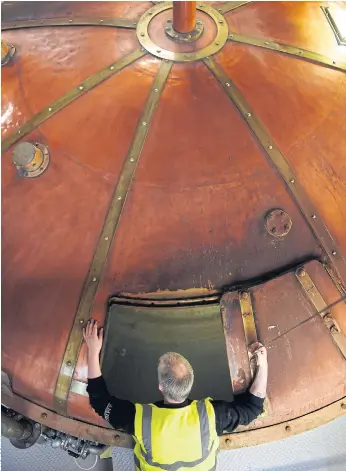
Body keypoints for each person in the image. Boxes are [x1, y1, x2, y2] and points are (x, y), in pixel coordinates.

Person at [84, 319, 268, 471]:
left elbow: (100, 402)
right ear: (191, 382)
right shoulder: (212, 416)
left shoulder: (141, 421)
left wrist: (93, 351)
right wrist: (263, 364)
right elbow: (253, 407)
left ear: (160, 386)